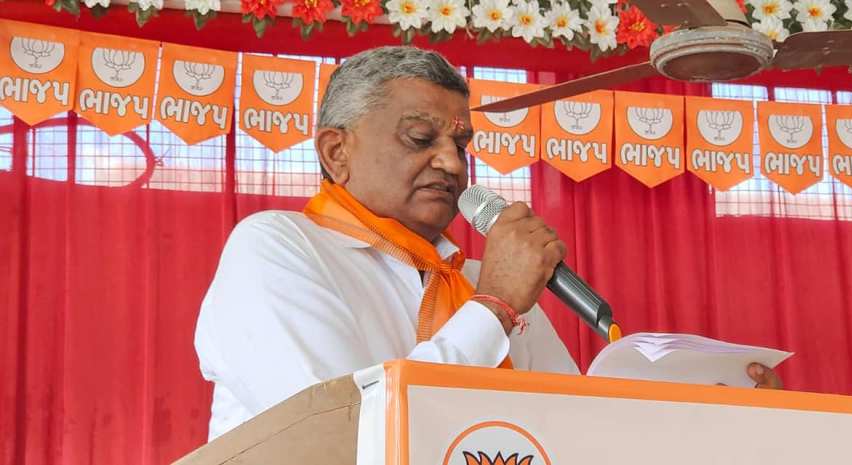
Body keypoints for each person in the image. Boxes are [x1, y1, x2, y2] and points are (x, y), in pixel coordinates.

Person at [194, 46, 781, 441]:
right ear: (335, 152)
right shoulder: (277, 248)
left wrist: (712, 414)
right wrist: (495, 306)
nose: (452, 163)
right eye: (420, 138)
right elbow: (342, 432)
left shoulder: (481, 279)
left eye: (460, 145)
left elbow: (571, 431)